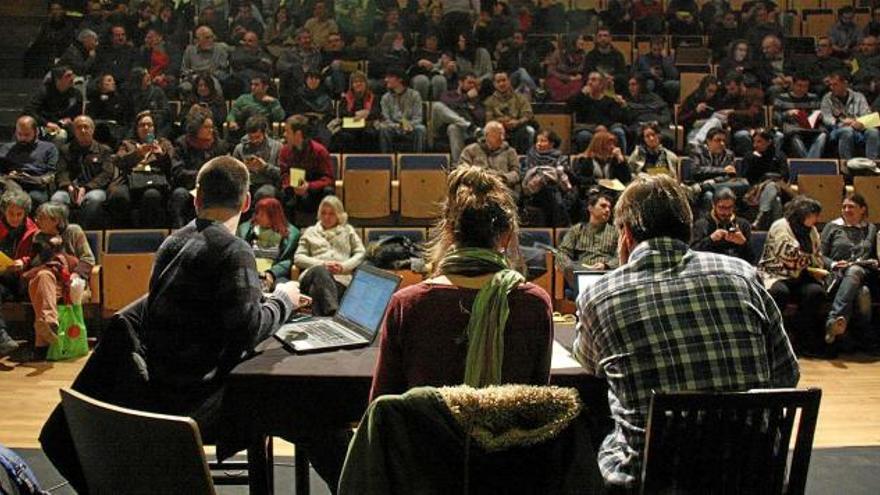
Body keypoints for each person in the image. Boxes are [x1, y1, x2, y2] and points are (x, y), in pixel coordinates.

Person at [575, 175, 799, 492]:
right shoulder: (744, 276)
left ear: (625, 234)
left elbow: (589, 365)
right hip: (752, 474)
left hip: (657, 479)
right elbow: (787, 374)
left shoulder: (599, 294)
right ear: (687, 226)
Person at [143, 154, 300, 454]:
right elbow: (247, 330)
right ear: (246, 202)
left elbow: (207, 309)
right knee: (314, 413)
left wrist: (260, 301)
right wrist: (285, 300)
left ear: (197, 198)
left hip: (161, 393)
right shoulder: (234, 249)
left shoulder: (172, 243)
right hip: (199, 402)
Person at [371, 164, 553, 398]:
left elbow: (381, 407)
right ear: (507, 235)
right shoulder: (534, 303)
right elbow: (540, 403)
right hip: (509, 434)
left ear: (448, 230)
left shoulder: (407, 304)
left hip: (425, 435)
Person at [758, 196, 836, 357]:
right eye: (814, 214)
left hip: (803, 274)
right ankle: (774, 341)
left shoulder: (812, 230)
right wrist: (809, 260)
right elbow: (787, 256)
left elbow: (817, 256)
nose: (817, 218)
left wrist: (809, 261)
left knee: (816, 293)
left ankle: (803, 339)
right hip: (775, 272)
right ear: (803, 214)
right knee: (780, 293)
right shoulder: (781, 226)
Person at [21, 202, 95, 362]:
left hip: (68, 281)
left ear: (55, 220)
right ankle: (50, 322)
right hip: (47, 279)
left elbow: (88, 258)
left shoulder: (74, 231)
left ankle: (41, 346)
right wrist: (49, 247)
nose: (37, 220)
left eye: (41, 218)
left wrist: (76, 274)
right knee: (42, 277)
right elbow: (35, 264)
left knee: (40, 287)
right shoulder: (38, 237)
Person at [820, 193, 878, 351]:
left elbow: (874, 254)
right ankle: (862, 339)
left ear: (862, 209)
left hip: (862, 274)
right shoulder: (832, 227)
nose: (846, 210)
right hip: (837, 276)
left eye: (851, 207)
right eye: (844, 207)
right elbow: (819, 255)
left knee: (856, 271)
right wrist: (833, 263)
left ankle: (833, 321)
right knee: (863, 295)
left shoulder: (870, 229)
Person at [293, 195, 365, 317]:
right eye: (323, 213)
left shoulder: (348, 231)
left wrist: (343, 266)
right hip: (312, 275)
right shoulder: (310, 232)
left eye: (331, 214)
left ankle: (322, 321)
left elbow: (360, 253)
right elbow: (298, 257)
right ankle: (333, 313)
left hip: (338, 280)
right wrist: (322, 264)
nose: (326, 217)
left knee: (316, 291)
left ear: (339, 214)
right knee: (320, 271)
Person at [112, 111, 177, 228]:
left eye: (149, 125)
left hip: (154, 182)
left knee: (151, 195)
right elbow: (119, 161)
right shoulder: (127, 144)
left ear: (154, 128)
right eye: (142, 125)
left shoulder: (164, 143)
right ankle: (123, 234)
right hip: (130, 181)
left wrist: (160, 155)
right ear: (136, 128)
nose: (146, 128)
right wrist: (138, 153)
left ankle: (148, 236)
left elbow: (172, 165)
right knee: (118, 195)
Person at [52, 116, 116, 230]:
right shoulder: (65, 150)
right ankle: (62, 232)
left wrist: (86, 188)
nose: (83, 130)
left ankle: (82, 231)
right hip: (69, 189)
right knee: (57, 199)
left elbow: (106, 174)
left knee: (94, 199)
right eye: (79, 127)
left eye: (86, 127)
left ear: (92, 130)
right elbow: (61, 172)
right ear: (74, 131)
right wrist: (68, 186)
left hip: (94, 188)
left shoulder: (104, 150)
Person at [171, 105, 229, 228]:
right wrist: (201, 175)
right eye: (206, 127)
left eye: (211, 127)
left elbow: (225, 169)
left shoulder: (220, 146)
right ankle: (180, 231)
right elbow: (177, 171)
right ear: (196, 128)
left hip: (213, 186)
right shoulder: (182, 144)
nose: (211, 130)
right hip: (189, 186)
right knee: (179, 194)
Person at [558, 189, 618, 294]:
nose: (608, 210)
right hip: (581, 273)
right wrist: (571, 268)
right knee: (568, 266)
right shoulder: (577, 230)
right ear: (590, 208)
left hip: (606, 274)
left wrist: (606, 265)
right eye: (603, 206)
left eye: (609, 207)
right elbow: (562, 253)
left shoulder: (615, 232)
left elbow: (621, 256)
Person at [0, 189, 38, 357]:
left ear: (25, 214)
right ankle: (2, 339)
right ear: (3, 211)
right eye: (11, 213)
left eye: (19, 214)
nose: (14, 218)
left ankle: (34, 346)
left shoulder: (35, 230)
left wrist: (24, 262)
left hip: (24, 278)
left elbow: (39, 256)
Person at [278, 115, 335, 224]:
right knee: (283, 194)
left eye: (287, 131)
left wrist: (309, 186)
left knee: (328, 192)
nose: (284, 135)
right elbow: (284, 174)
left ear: (298, 134)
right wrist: (292, 184)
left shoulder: (320, 151)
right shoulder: (285, 151)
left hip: (315, 192)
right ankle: (289, 231)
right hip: (294, 190)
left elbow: (328, 179)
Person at [237, 197, 300, 292]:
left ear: (273, 216)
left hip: (275, 275)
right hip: (250, 272)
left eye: (262, 215)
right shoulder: (246, 230)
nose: (258, 217)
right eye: (257, 213)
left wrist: (271, 273)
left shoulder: (290, 235)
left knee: (282, 289)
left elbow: (288, 260)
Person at [0, 115, 58, 208]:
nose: (22, 138)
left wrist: (32, 179)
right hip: (12, 184)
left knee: (34, 198)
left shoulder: (49, 148)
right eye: (19, 134)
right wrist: (8, 177)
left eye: (27, 135)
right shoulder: (6, 148)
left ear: (36, 132)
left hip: (36, 185)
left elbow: (51, 173)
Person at [821, 71, 879, 161]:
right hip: (838, 129)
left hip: (859, 127)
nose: (832, 88)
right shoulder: (827, 98)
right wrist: (840, 122)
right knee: (847, 131)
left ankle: (872, 164)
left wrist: (856, 122)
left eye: (835, 84)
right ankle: (846, 165)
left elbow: (866, 114)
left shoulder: (859, 97)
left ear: (845, 84)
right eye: (831, 85)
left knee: (873, 132)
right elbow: (827, 118)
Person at [742, 129, 792, 230]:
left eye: (759, 141)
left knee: (771, 186)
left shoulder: (779, 155)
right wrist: (754, 161)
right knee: (776, 202)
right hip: (755, 190)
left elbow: (784, 175)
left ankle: (760, 218)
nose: (755, 145)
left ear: (769, 142)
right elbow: (744, 176)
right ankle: (776, 229)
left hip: (778, 188)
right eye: (754, 142)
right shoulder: (750, 156)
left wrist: (768, 178)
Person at [521, 130, 573, 227]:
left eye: (543, 141)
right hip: (533, 192)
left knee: (550, 192)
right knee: (549, 194)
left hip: (556, 190)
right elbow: (525, 174)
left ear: (552, 144)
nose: (539, 144)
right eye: (537, 141)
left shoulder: (560, 158)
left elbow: (564, 176)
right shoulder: (530, 156)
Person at [568, 71, 629, 154]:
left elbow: (615, 117)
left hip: (607, 127)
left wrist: (603, 126)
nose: (589, 82)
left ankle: (621, 159)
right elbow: (569, 108)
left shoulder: (609, 100)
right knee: (584, 136)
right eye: (588, 80)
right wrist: (581, 94)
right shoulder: (581, 98)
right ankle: (585, 161)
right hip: (587, 128)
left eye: (593, 80)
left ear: (601, 84)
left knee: (619, 132)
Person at [458, 121, 521, 200]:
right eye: (498, 134)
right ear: (487, 135)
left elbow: (516, 173)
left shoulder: (510, 151)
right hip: (477, 190)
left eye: (503, 134)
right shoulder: (470, 150)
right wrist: (483, 178)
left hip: (503, 190)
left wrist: (503, 178)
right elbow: (462, 172)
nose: (502, 138)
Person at [23, 65, 81, 146]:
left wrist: (71, 120)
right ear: (58, 79)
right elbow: (29, 110)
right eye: (68, 76)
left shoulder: (76, 94)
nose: (72, 78)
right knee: (60, 136)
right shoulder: (44, 92)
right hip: (44, 126)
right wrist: (47, 123)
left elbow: (78, 113)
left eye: (72, 75)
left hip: (65, 125)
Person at [691, 188, 753, 262]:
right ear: (713, 205)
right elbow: (692, 253)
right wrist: (710, 239)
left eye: (730, 207)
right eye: (722, 207)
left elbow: (751, 258)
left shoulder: (743, 224)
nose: (726, 212)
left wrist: (743, 243)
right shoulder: (701, 224)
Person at [773, 73, 826, 159]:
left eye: (805, 86)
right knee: (794, 136)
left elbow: (819, 116)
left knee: (822, 136)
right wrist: (787, 113)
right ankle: (810, 164)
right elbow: (775, 118)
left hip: (810, 130)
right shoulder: (781, 98)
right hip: (792, 130)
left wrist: (818, 116)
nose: (802, 89)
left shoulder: (814, 98)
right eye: (799, 85)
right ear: (793, 85)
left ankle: (807, 164)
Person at [231, 115, 282, 203]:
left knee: (264, 193)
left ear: (264, 133)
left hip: (268, 183)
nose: (254, 141)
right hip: (247, 183)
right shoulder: (239, 149)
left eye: (257, 137)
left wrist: (265, 167)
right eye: (251, 138)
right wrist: (244, 168)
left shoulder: (277, 147)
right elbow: (232, 173)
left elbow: (282, 174)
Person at [484, 70, 535, 154]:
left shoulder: (520, 98)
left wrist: (517, 122)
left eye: (504, 80)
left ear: (509, 81)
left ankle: (524, 158)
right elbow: (489, 120)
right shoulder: (489, 101)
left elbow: (528, 114)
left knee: (530, 131)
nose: (501, 84)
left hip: (518, 127)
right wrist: (502, 123)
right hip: (498, 128)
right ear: (494, 84)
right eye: (498, 81)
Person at [378, 68, 427, 153]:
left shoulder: (414, 95)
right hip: (393, 127)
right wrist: (398, 126)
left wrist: (409, 125)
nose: (386, 80)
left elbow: (418, 118)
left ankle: (418, 159)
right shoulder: (385, 98)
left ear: (400, 79)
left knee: (421, 129)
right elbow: (386, 119)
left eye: (390, 77)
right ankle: (387, 159)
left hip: (411, 127)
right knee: (384, 128)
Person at [332, 71, 381, 153]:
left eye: (361, 81)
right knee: (343, 136)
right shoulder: (346, 98)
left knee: (370, 134)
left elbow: (377, 112)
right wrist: (356, 114)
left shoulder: (373, 98)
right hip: (349, 127)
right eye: (355, 82)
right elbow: (342, 114)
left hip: (367, 125)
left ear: (366, 84)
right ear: (352, 85)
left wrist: (367, 114)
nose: (358, 84)